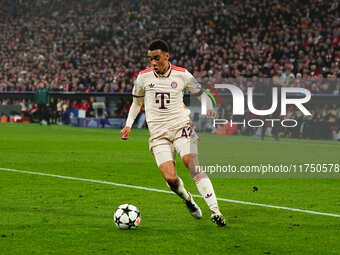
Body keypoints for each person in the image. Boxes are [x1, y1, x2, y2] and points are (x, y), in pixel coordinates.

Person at [120, 40, 226, 226]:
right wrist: (128, 124)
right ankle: (187, 199)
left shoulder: (182, 74)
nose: (153, 62)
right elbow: (136, 103)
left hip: (181, 126)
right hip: (158, 134)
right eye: (150, 59)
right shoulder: (143, 78)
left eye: (157, 58)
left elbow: (201, 94)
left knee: (191, 163)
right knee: (170, 178)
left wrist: (208, 107)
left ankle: (215, 211)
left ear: (167, 56)